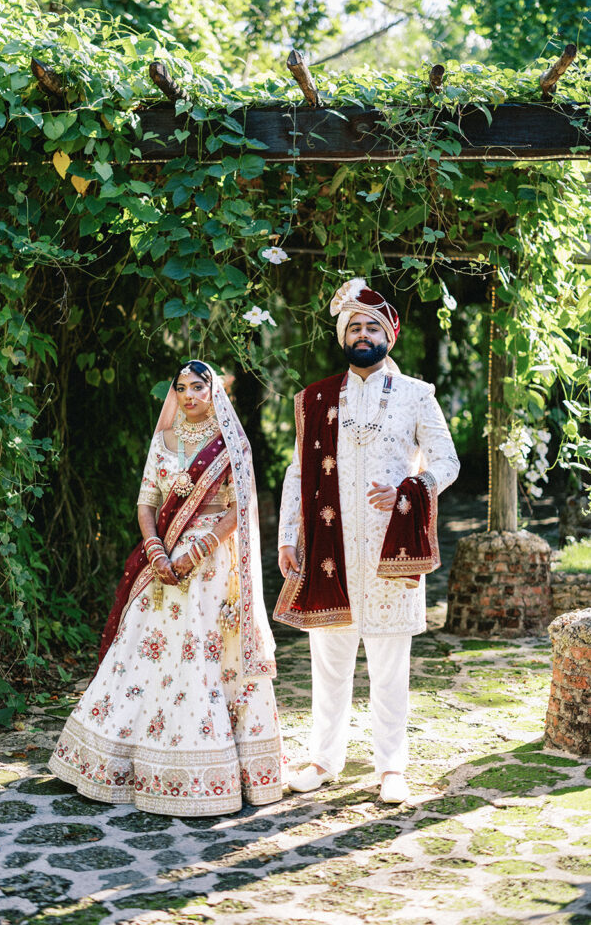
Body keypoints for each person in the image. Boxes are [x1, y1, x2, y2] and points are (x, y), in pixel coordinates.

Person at [50, 360, 283, 816]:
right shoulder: (163, 442)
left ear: (213, 392)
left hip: (213, 568)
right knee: (143, 652)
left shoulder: (231, 444)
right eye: (182, 388)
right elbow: (146, 504)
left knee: (204, 653)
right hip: (162, 565)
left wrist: (199, 550)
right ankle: (118, 762)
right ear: (174, 394)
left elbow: (241, 507)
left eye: (198, 386)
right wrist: (156, 551)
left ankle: (207, 769)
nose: (189, 395)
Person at [274, 278, 459, 804]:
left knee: (389, 668)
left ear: (388, 336)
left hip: (388, 552)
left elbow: (447, 462)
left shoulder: (417, 395)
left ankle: (391, 767)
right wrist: (288, 537)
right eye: (353, 326)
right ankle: (323, 761)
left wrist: (411, 489)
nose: (362, 334)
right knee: (328, 665)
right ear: (343, 337)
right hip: (328, 551)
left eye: (372, 327)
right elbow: (297, 472)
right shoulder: (316, 399)